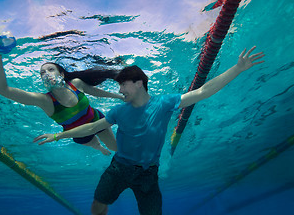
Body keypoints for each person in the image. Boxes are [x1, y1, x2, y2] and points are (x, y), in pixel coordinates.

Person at [34, 46, 265, 214]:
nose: (120, 89)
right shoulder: (118, 111)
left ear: (138, 83)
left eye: (123, 84)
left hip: (148, 174)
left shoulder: (165, 103)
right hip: (119, 168)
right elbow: (92, 126)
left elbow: (203, 91)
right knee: (98, 204)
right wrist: (58, 135)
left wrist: (238, 68)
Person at [0, 31, 124, 155]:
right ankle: (99, 147)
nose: (46, 74)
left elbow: (95, 92)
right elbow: (2, 90)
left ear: (62, 74)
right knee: (95, 144)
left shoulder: (76, 83)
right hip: (78, 134)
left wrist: (119, 96)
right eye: (42, 73)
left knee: (115, 148)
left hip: (96, 120)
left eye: (51, 69)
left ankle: (105, 147)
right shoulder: (44, 101)